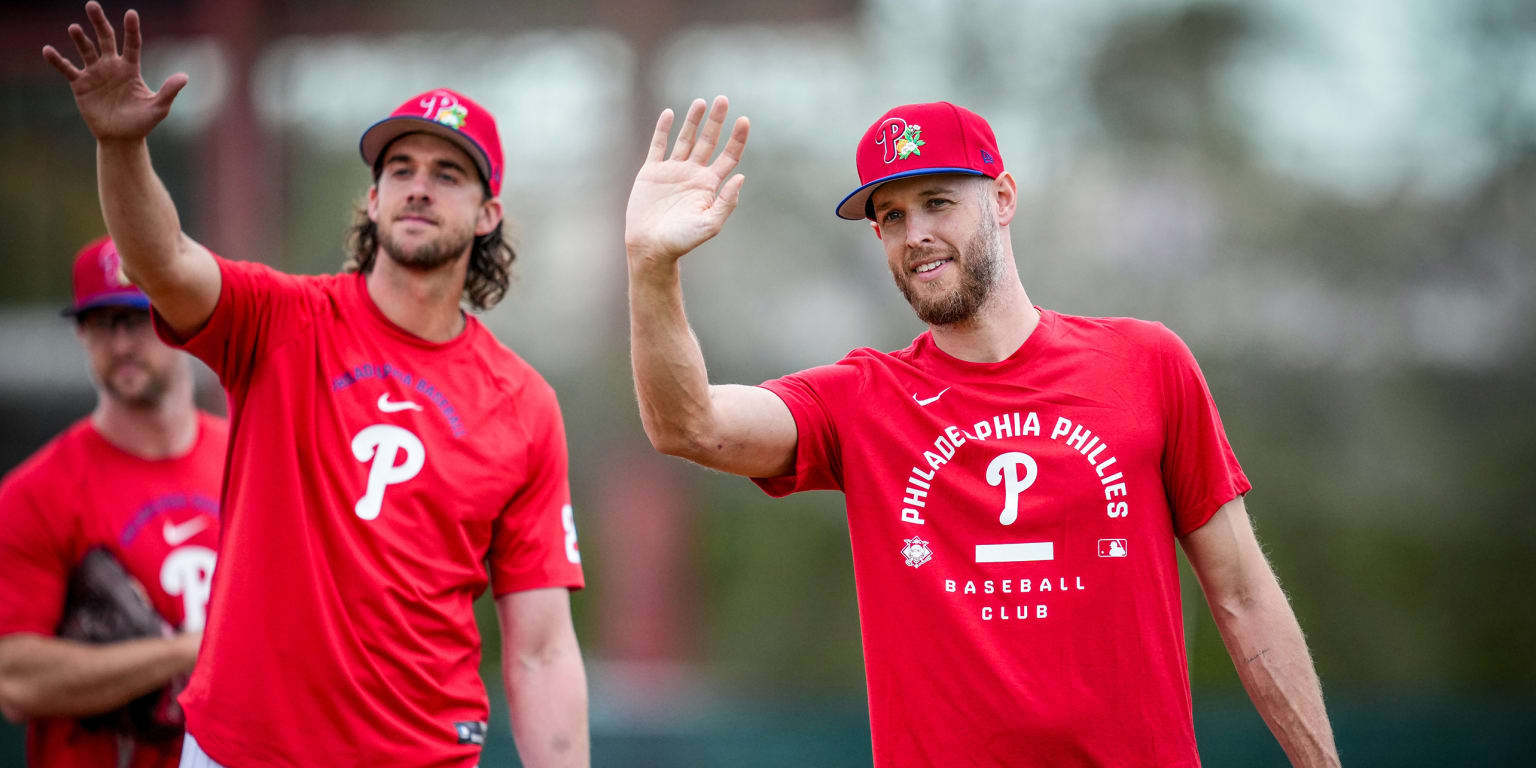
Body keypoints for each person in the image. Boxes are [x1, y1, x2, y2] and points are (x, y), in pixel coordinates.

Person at [625, 96, 1341, 766]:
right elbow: (690, 425)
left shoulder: (1147, 365)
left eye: (938, 202)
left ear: (1002, 199)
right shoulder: (863, 400)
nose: (917, 234)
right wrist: (652, 268)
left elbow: (1244, 595)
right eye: (893, 216)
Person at [42, 4, 588, 766]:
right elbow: (161, 258)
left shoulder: (524, 404)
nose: (419, 188)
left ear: (489, 213)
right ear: (373, 200)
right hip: (243, 751)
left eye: (448, 174)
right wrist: (122, 147)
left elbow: (540, 650)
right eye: (400, 169)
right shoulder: (281, 319)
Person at [0, 236, 227, 768]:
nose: (122, 343)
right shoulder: (34, 494)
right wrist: (186, 652)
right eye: (103, 324)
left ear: (182, 323)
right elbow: (14, 679)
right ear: (82, 335)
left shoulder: (246, 459)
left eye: (138, 318)